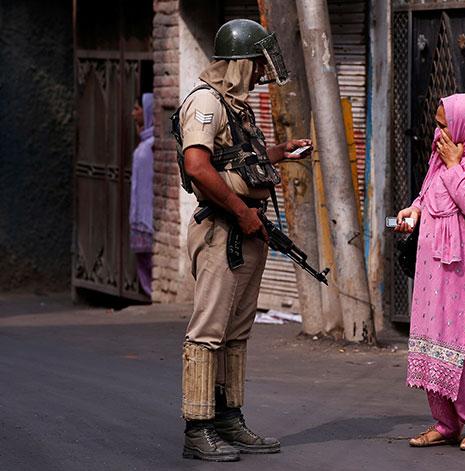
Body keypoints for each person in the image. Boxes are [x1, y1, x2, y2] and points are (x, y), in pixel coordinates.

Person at [173, 19, 311, 462]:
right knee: (208, 331)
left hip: (247, 229)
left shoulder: (238, 107)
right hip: (221, 229)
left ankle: (229, 419)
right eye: (256, 63)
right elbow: (198, 166)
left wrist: (280, 152)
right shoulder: (205, 104)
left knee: (237, 333)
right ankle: (198, 428)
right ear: (238, 65)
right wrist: (240, 213)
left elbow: (238, 160)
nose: (261, 73)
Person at [395, 94, 465, 451]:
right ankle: (445, 423)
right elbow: (428, 196)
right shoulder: (440, 157)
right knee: (433, 339)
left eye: (445, 125)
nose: (438, 132)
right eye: (438, 123)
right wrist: (412, 211)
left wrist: (456, 165)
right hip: (433, 267)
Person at [129, 93, 154, 296]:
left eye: (137, 108)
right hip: (141, 216)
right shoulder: (146, 143)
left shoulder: (149, 146)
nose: (133, 113)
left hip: (147, 217)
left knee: (148, 260)